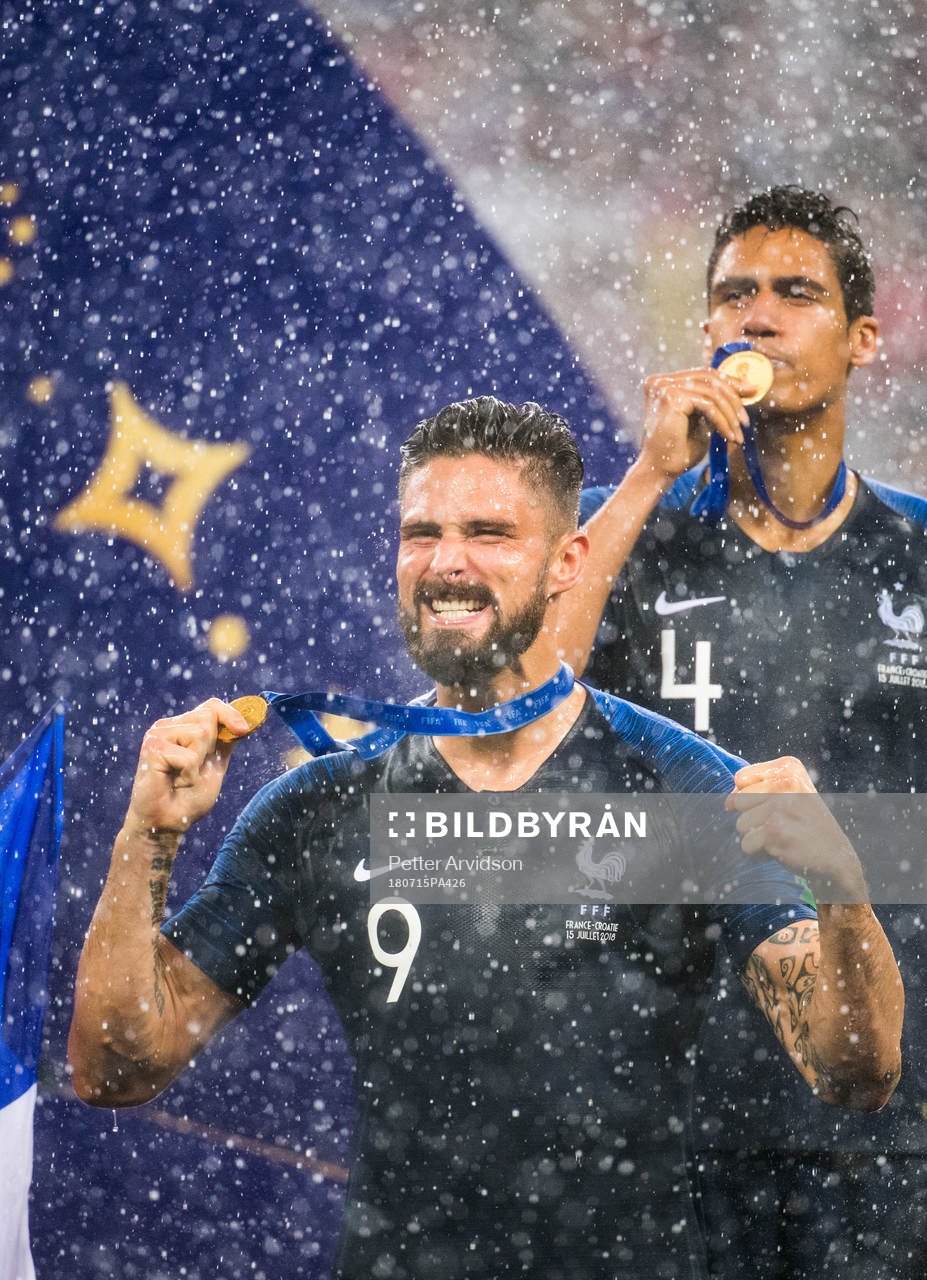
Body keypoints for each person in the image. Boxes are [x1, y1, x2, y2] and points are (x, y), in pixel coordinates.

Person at [69, 396, 902, 1280]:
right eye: (420, 533)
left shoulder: (685, 789)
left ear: (565, 561)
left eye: (488, 533)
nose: (446, 564)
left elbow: (851, 1071)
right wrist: (144, 837)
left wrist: (841, 886)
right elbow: (117, 1067)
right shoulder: (315, 808)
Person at [564, 187, 927, 1277]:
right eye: (734, 296)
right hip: (658, 1107)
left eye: (795, 293)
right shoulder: (626, 525)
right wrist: (647, 476)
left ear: (864, 337)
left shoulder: (918, 551)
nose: (758, 318)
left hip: (883, 1116)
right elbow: (514, 702)